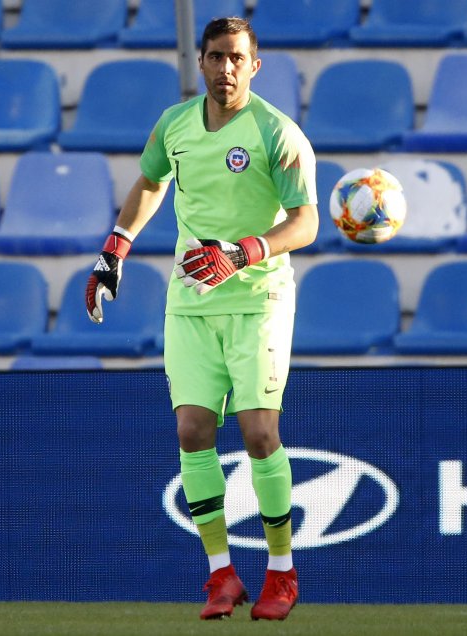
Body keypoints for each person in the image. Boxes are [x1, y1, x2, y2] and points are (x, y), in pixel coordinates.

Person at [84, 17, 318, 622]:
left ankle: (282, 572)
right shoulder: (176, 124)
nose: (225, 69)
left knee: (260, 433)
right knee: (191, 431)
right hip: (190, 301)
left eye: (237, 58)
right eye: (215, 57)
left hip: (257, 300)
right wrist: (115, 249)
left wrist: (242, 252)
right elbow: (150, 181)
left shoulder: (279, 133)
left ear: (254, 65)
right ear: (202, 63)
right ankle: (221, 575)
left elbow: (306, 222)